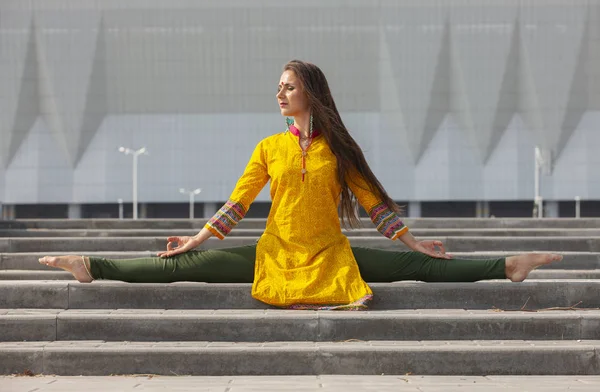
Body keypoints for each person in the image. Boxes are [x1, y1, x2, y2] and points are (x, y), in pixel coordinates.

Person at [39, 60, 562, 310]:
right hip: (276, 252)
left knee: (418, 265)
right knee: (183, 265)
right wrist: (197, 239)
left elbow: (374, 205)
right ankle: (91, 266)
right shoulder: (270, 147)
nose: (280, 94)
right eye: (278, 88)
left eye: (288, 87)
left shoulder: (338, 149)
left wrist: (413, 240)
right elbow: (239, 202)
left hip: (330, 252)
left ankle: (509, 266)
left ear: (310, 92)